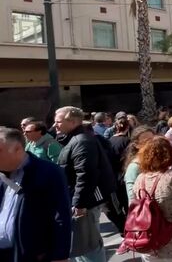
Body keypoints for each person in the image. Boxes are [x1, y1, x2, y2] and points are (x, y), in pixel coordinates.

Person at [0, 127, 72, 262]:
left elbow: (61, 215)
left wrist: (60, 256)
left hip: (31, 253)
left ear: (17, 149)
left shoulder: (48, 172)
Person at [55, 106, 116, 262]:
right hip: (80, 199)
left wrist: (80, 204)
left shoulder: (81, 141)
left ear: (73, 122)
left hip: (85, 202)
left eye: (58, 122)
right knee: (82, 244)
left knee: (87, 244)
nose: (55, 125)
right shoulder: (75, 138)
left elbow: (86, 175)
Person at [123, 126, 156, 203]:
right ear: (136, 145)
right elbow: (132, 198)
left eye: (153, 140)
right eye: (147, 141)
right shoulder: (134, 167)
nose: (152, 144)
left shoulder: (156, 161)